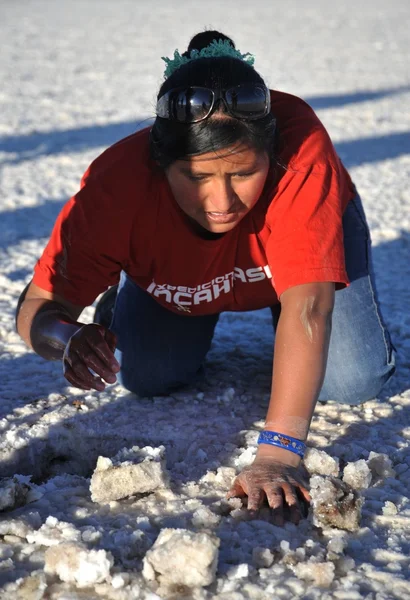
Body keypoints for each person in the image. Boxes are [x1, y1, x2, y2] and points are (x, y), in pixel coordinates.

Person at [15, 31, 396, 524]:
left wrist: (278, 454)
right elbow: (35, 310)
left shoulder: (299, 145)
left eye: (242, 174)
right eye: (195, 177)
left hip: (297, 276)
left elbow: (310, 308)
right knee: (148, 376)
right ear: (159, 163)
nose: (222, 203)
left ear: (271, 154)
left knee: (354, 379)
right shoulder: (117, 182)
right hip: (183, 281)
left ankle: (295, 277)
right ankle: (130, 296)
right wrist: (67, 337)